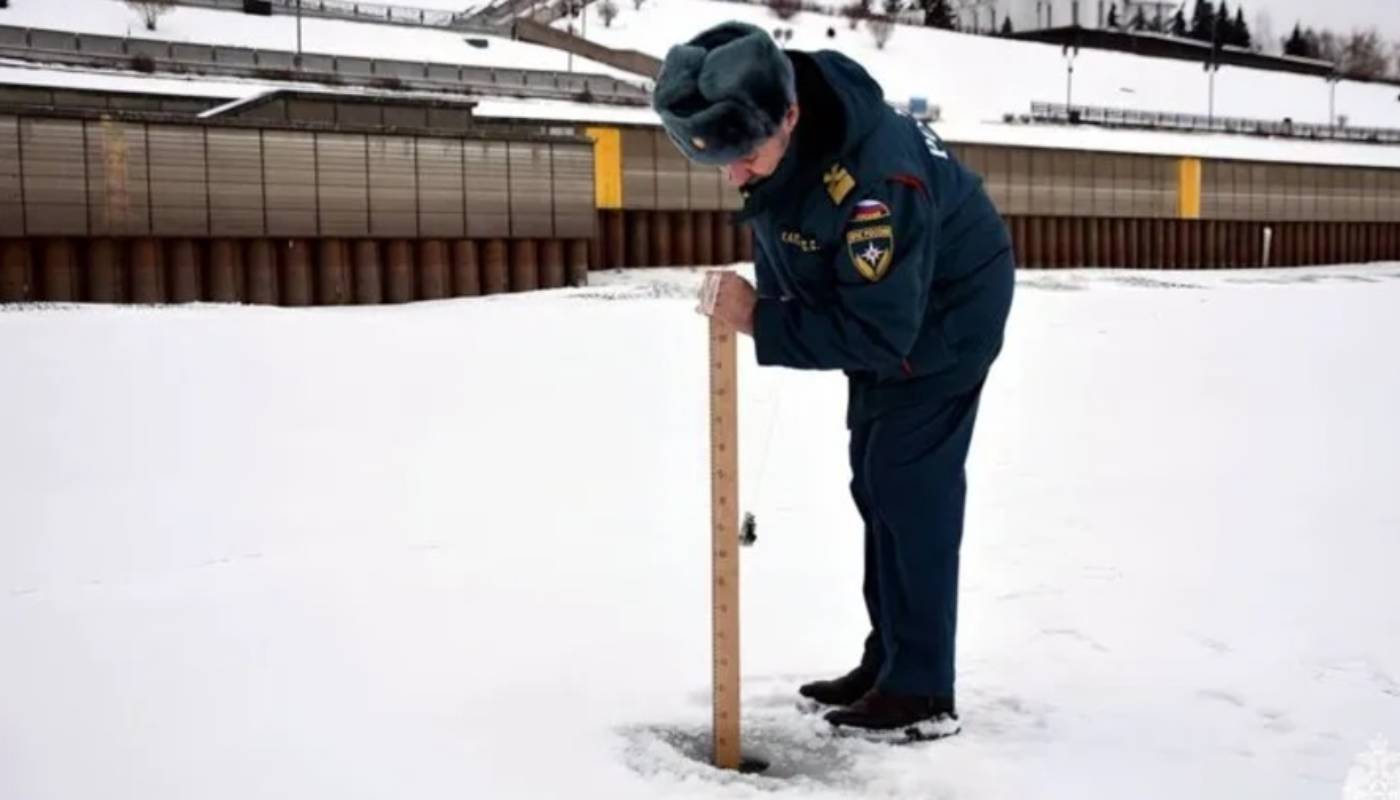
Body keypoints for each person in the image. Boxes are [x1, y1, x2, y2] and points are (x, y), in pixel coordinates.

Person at [653, 21, 1015, 740]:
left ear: (788, 116)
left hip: (941, 323)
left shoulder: (878, 186)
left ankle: (919, 691)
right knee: (874, 481)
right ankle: (889, 661)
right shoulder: (791, 115)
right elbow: (802, 225)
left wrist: (764, 318)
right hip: (891, 314)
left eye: (745, 157)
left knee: (910, 491)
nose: (735, 176)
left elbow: (882, 329)